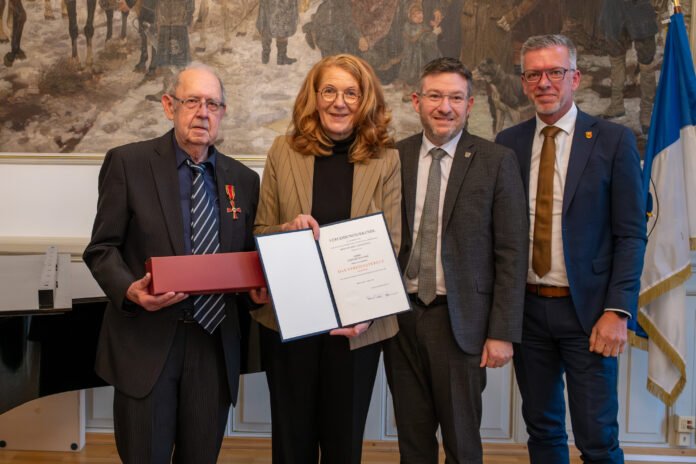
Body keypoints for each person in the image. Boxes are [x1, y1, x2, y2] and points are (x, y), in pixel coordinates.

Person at [83, 64, 261, 463]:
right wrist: (129, 290)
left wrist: (259, 291)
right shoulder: (128, 163)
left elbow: (246, 263)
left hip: (213, 345)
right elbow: (102, 248)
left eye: (213, 104)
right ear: (169, 106)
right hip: (147, 345)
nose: (203, 113)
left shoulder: (244, 180)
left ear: (222, 113)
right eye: (192, 101)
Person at [495, 34, 647, 463]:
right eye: (534, 74)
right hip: (527, 313)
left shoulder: (613, 140)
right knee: (542, 430)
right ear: (524, 82)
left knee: (597, 436)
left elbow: (631, 234)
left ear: (574, 78)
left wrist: (618, 311)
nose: (545, 82)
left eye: (555, 72)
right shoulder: (509, 142)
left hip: (591, 315)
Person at [253, 53, 401, 464]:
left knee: (343, 443)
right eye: (329, 91)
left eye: (351, 92)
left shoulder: (386, 158)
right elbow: (261, 230)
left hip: (357, 328)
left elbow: (392, 243)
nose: (339, 102)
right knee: (291, 442)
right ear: (314, 97)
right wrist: (286, 230)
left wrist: (369, 312)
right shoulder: (283, 151)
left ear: (365, 99)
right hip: (291, 322)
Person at [384, 57, 528, 463]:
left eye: (455, 97)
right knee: (412, 442)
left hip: (461, 323)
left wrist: (502, 332)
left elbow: (512, 252)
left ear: (470, 104)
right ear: (416, 100)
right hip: (401, 319)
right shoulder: (394, 158)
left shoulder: (496, 161)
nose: (444, 107)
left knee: (462, 443)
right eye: (434, 96)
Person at [599, 0, 658, 134]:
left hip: (640, 8)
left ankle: (646, 114)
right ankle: (616, 105)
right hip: (614, 8)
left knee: (646, 61)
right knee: (616, 57)